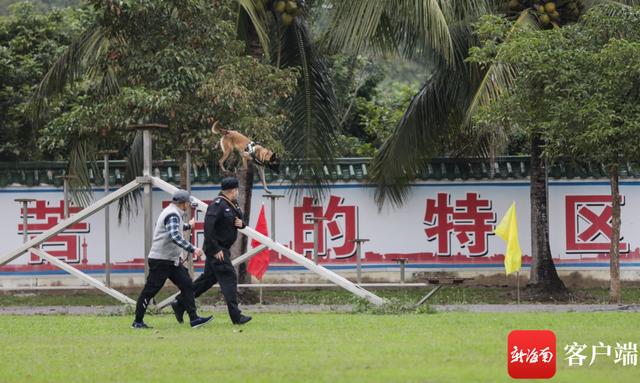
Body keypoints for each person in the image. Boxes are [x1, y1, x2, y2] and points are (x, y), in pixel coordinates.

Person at [171, 177, 252, 325]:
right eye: (236, 190)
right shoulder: (217, 205)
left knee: (207, 280)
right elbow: (208, 228)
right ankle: (236, 316)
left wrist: (242, 224)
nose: (238, 193)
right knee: (229, 279)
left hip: (222, 248)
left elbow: (238, 219)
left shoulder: (231, 204)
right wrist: (215, 249)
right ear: (232, 190)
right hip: (217, 250)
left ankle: (180, 302)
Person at [132, 190, 213, 329]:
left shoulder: (171, 212)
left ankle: (194, 319)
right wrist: (194, 249)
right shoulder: (173, 214)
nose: (188, 205)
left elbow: (173, 228)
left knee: (187, 284)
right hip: (161, 261)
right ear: (183, 203)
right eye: (187, 203)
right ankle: (137, 322)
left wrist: (188, 226)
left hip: (170, 260)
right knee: (150, 291)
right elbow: (174, 236)